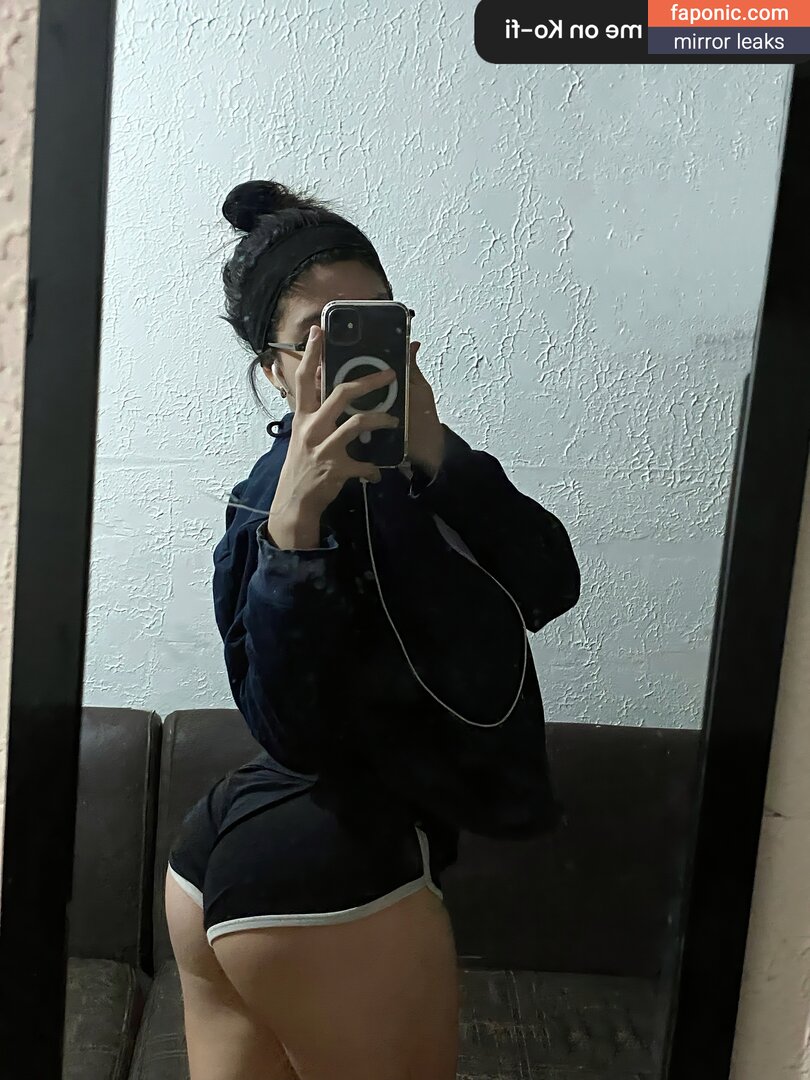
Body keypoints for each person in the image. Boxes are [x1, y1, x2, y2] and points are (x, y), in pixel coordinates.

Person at [165, 179, 580, 1080]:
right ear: (274, 370)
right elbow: (293, 731)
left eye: (373, 321)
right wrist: (295, 535)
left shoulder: (431, 472)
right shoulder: (264, 509)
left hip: (238, 862)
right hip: (325, 870)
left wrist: (438, 452)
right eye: (319, 335)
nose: (351, 352)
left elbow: (551, 585)